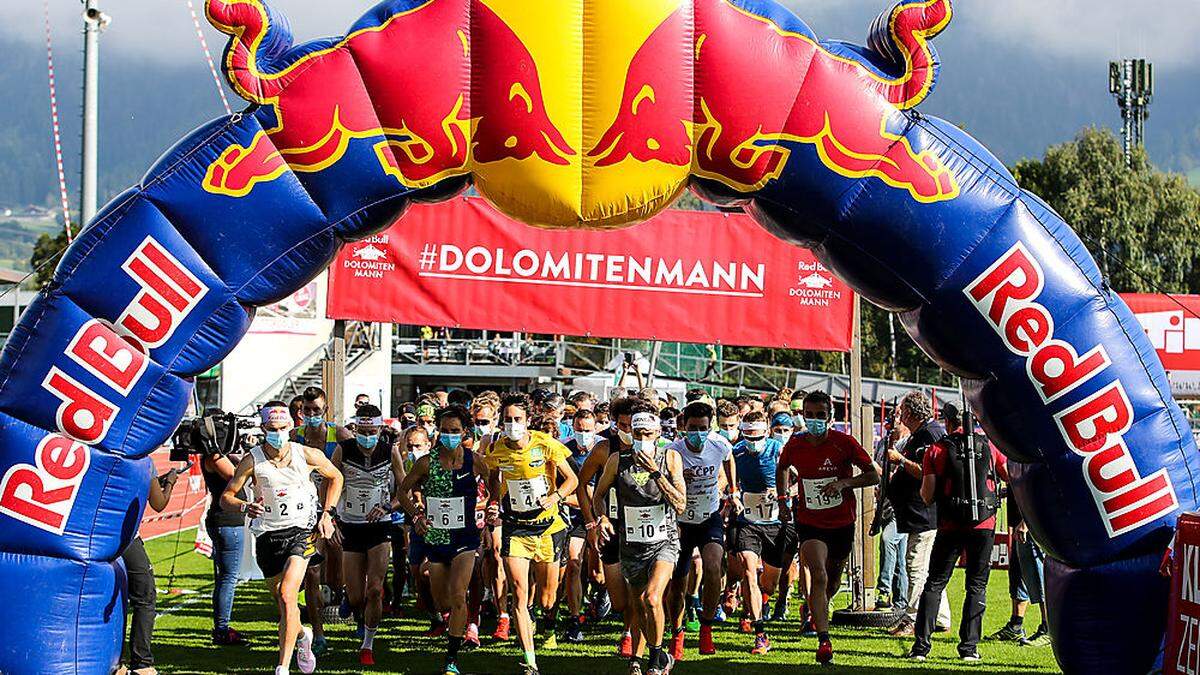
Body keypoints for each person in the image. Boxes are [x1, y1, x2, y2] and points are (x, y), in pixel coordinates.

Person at [222, 402, 344, 675]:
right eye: (272, 429)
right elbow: (227, 496)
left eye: (283, 428)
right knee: (282, 600)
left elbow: (336, 477)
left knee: (289, 594)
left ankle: (282, 667)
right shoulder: (252, 460)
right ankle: (302, 636)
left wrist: (327, 514)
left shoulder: (307, 454)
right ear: (263, 428)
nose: (278, 434)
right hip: (268, 535)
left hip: (302, 531)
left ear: (292, 426)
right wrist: (244, 506)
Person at [777, 390, 880, 665]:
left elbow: (872, 475)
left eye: (820, 415)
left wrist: (845, 483)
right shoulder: (795, 444)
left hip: (842, 523)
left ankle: (813, 608)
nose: (814, 420)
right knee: (819, 575)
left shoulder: (843, 443)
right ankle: (824, 641)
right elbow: (782, 467)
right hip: (810, 522)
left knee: (832, 580)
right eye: (809, 415)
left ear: (830, 417)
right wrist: (783, 499)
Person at [484, 393, 579, 675]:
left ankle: (545, 617)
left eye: (518, 420)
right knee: (519, 594)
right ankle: (530, 661)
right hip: (516, 527)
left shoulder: (545, 443)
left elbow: (572, 479)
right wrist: (492, 502)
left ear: (527, 421)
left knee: (547, 599)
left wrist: (556, 496)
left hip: (548, 527)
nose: (512, 425)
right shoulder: (496, 449)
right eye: (508, 420)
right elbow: (492, 480)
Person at [593, 402, 688, 675]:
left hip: (664, 540)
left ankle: (656, 660)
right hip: (631, 543)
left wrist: (656, 474)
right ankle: (661, 656)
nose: (643, 440)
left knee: (652, 598)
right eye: (638, 434)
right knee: (638, 606)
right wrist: (603, 519)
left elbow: (680, 504)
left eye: (648, 434)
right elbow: (598, 496)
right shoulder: (617, 461)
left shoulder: (669, 458)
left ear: (658, 432)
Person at [907, 411, 1010, 662]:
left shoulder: (936, 450)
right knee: (976, 585)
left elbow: (928, 495)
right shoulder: (989, 446)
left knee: (935, 582)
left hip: (950, 524)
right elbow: (1009, 476)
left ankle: (921, 647)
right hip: (984, 524)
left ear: (948, 423)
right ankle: (969, 648)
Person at [398, 405, 488, 675]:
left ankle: (451, 659)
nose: (449, 436)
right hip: (436, 538)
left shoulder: (474, 461)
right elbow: (404, 492)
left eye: (455, 431)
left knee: (459, 595)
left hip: (465, 537)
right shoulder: (426, 462)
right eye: (445, 431)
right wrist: (416, 516)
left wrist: (491, 503)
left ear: (464, 433)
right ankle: (452, 623)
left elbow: (495, 480)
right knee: (442, 602)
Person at [331, 404, 405, 665]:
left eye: (371, 430)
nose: (366, 435)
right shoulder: (345, 449)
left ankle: (367, 645)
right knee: (355, 596)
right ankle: (355, 610)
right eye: (362, 430)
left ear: (380, 429)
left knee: (374, 589)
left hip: (380, 526)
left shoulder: (389, 450)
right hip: (351, 525)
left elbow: (404, 488)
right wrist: (331, 516)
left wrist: (388, 506)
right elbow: (330, 480)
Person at [666, 401, 736, 659]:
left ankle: (706, 628)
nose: (697, 433)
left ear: (711, 426)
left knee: (714, 566)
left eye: (703, 428)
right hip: (682, 522)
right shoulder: (673, 451)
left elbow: (729, 461)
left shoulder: (720, 444)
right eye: (692, 428)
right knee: (678, 583)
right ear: (684, 426)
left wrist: (732, 489)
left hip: (710, 517)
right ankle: (677, 633)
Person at [728, 410, 797, 655]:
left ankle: (763, 601)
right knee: (748, 569)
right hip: (748, 521)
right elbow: (728, 481)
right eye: (748, 437)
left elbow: (800, 477)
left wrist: (784, 494)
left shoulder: (779, 450)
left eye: (757, 437)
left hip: (777, 523)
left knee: (768, 584)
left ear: (767, 432)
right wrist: (732, 495)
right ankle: (760, 633)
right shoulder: (735, 453)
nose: (752, 442)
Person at [576, 396, 640, 658]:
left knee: (638, 589)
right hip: (610, 527)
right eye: (622, 425)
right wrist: (591, 520)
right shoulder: (604, 449)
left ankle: (630, 637)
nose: (627, 431)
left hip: (640, 529)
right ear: (614, 424)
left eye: (631, 425)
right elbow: (581, 484)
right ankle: (626, 622)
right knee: (618, 599)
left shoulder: (654, 449)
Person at [886, 393, 951, 636]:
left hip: (925, 514)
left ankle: (913, 619)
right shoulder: (924, 433)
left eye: (902, 410)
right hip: (918, 513)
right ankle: (940, 617)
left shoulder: (930, 434)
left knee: (916, 567)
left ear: (911, 413)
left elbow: (928, 472)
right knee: (927, 569)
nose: (899, 415)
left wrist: (900, 460)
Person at [294, 386, 352, 655]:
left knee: (337, 553)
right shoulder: (295, 437)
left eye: (317, 410)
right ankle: (318, 633)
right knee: (311, 573)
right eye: (308, 410)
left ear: (325, 410)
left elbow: (357, 466)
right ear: (301, 411)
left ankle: (342, 595)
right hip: (304, 512)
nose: (312, 414)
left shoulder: (338, 434)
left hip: (334, 508)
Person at [118, 463, 183, 675]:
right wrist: (170, 482)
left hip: (95, 537)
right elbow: (159, 503)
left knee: (113, 599)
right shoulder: (144, 461)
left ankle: (116, 662)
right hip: (126, 539)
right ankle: (142, 662)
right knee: (145, 598)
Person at [202, 436, 250, 645]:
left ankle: (221, 627)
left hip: (222, 520)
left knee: (225, 577)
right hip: (227, 521)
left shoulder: (213, 455)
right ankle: (222, 629)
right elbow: (235, 476)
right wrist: (247, 458)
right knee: (229, 578)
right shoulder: (214, 456)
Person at [562, 408, 600, 642]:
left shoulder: (603, 449)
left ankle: (601, 594)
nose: (583, 434)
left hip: (599, 516)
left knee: (597, 575)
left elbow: (599, 492)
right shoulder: (565, 449)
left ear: (595, 429)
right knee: (574, 563)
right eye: (579, 430)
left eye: (587, 430)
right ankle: (575, 620)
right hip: (574, 518)